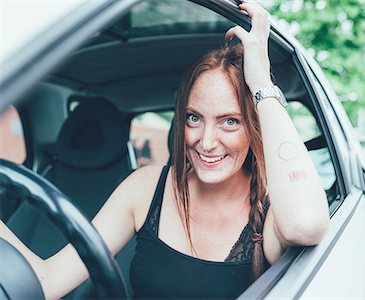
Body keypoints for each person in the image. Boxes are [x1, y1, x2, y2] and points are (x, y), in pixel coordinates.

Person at [0, 1, 329, 299]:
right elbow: (48, 281)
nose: (206, 140)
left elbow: (306, 224)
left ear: (252, 127)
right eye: (193, 118)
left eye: (230, 121)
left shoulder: (271, 208)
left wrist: (261, 85)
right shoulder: (145, 188)